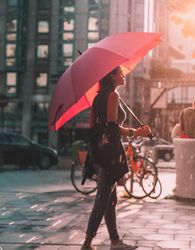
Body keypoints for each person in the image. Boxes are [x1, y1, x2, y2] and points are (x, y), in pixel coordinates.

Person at [81, 66, 151, 250]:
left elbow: (93, 129)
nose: (123, 75)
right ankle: (86, 244)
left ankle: (114, 241)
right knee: (103, 198)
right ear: (111, 76)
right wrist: (137, 132)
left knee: (110, 199)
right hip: (110, 154)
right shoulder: (112, 96)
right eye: (119, 72)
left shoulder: (96, 98)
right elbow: (112, 128)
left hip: (98, 153)